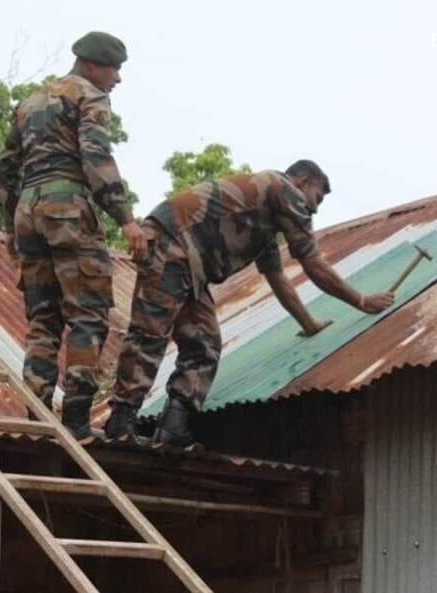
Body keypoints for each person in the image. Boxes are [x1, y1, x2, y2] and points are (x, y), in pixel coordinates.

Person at [106, 161, 394, 446]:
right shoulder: (282, 190)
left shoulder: (265, 221)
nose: (315, 209)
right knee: (150, 332)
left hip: (189, 265)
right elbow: (313, 263)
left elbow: (277, 278)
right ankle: (120, 421)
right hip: (171, 244)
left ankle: (172, 426)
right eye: (316, 198)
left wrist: (309, 324)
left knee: (204, 344)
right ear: (303, 182)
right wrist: (361, 300)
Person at [0, 31, 146, 439]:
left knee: (43, 318)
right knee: (90, 313)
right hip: (68, 210)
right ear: (93, 66)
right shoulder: (89, 96)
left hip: (29, 213)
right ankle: (77, 419)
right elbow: (96, 156)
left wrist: (11, 227)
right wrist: (126, 219)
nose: (117, 78)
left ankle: (37, 418)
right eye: (115, 69)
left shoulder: (29, 102)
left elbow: (6, 170)